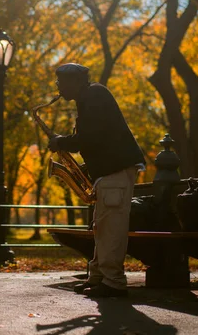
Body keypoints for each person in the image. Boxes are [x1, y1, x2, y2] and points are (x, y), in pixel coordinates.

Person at [48, 63, 145, 298]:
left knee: (111, 229)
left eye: (61, 82)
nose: (58, 87)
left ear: (75, 81)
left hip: (115, 171)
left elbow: (89, 137)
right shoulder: (91, 97)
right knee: (102, 227)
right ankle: (99, 277)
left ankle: (113, 282)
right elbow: (99, 138)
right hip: (109, 171)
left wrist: (61, 142)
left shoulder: (94, 95)